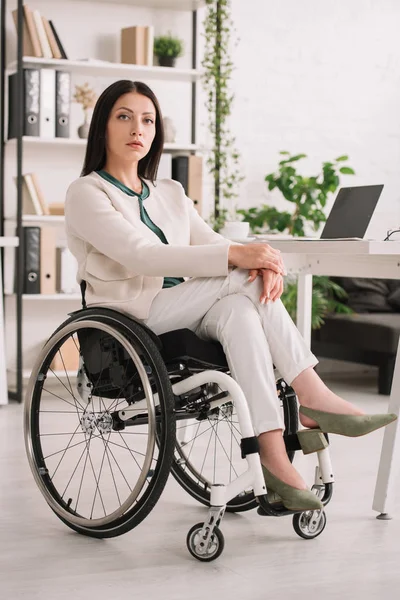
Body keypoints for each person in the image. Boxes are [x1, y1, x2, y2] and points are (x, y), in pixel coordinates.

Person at [65, 80, 396, 512]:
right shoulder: (87, 192)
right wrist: (243, 258)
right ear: (103, 127)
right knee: (241, 278)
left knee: (242, 305)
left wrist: (253, 262)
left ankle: (274, 455)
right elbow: (142, 255)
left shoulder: (170, 193)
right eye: (124, 116)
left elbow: (211, 240)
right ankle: (313, 396)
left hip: (185, 307)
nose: (137, 129)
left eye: (148, 120)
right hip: (134, 320)